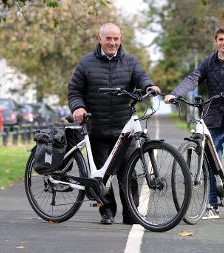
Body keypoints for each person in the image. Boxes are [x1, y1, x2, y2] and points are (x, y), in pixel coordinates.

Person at [68, 23, 160, 225]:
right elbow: (74, 91)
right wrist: (77, 108)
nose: (112, 43)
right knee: (103, 175)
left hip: (123, 130)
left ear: (120, 39)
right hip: (97, 128)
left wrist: (149, 86)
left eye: (116, 38)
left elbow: (141, 77)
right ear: (99, 39)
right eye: (108, 38)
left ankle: (132, 213)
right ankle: (107, 212)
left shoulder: (130, 62)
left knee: (129, 174)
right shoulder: (86, 64)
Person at [164, 24, 224, 219]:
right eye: (221, 40)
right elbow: (193, 78)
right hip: (213, 112)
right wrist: (175, 93)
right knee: (211, 158)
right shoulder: (208, 62)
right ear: (216, 41)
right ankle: (213, 205)